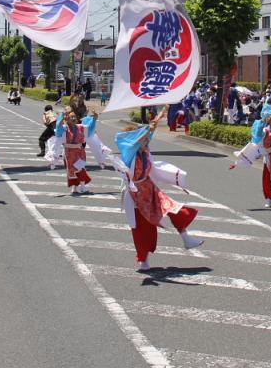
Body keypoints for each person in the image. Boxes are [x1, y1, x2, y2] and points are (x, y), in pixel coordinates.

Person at [114, 115, 202, 271]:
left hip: (150, 189)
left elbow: (148, 144)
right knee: (142, 228)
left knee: (175, 209)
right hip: (136, 195)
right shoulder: (128, 153)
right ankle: (143, 260)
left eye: (147, 140)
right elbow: (122, 139)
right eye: (144, 139)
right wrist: (147, 129)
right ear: (134, 140)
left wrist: (153, 125)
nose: (147, 142)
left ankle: (186, 237)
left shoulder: (145, 152)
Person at [63, 110, 93, 195]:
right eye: (71, 117)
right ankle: (74, 187)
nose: (73, 118)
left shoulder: (80, 127)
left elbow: (91, 128)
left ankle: (82, 187)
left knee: (80, 169)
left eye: (74, 117)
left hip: (80, 153)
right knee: (72, 171)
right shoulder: (65, 128)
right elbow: (64, 144)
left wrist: (94, 119)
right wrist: (62, 117)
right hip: (69, 154)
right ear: (67, 119)